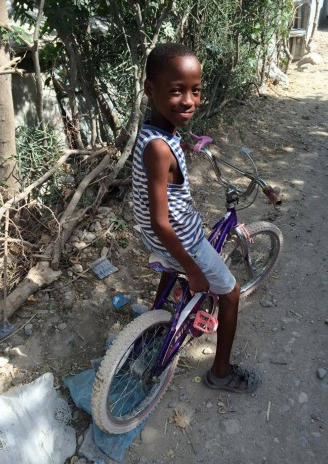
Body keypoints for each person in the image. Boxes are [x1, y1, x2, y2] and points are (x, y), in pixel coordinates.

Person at [132, 43, 260, 393]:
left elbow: (163, 163)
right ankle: (220, 372)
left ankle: (158, 318)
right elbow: (163, 221)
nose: (189, 100)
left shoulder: (156, 133)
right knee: (231, 293)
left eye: (195, 90)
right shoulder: (159, 149)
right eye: (176, 91)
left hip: (156, 237)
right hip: (175, 237)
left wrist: (185, 147)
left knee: (180, 256)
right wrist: (193, 269)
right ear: (150, 89)